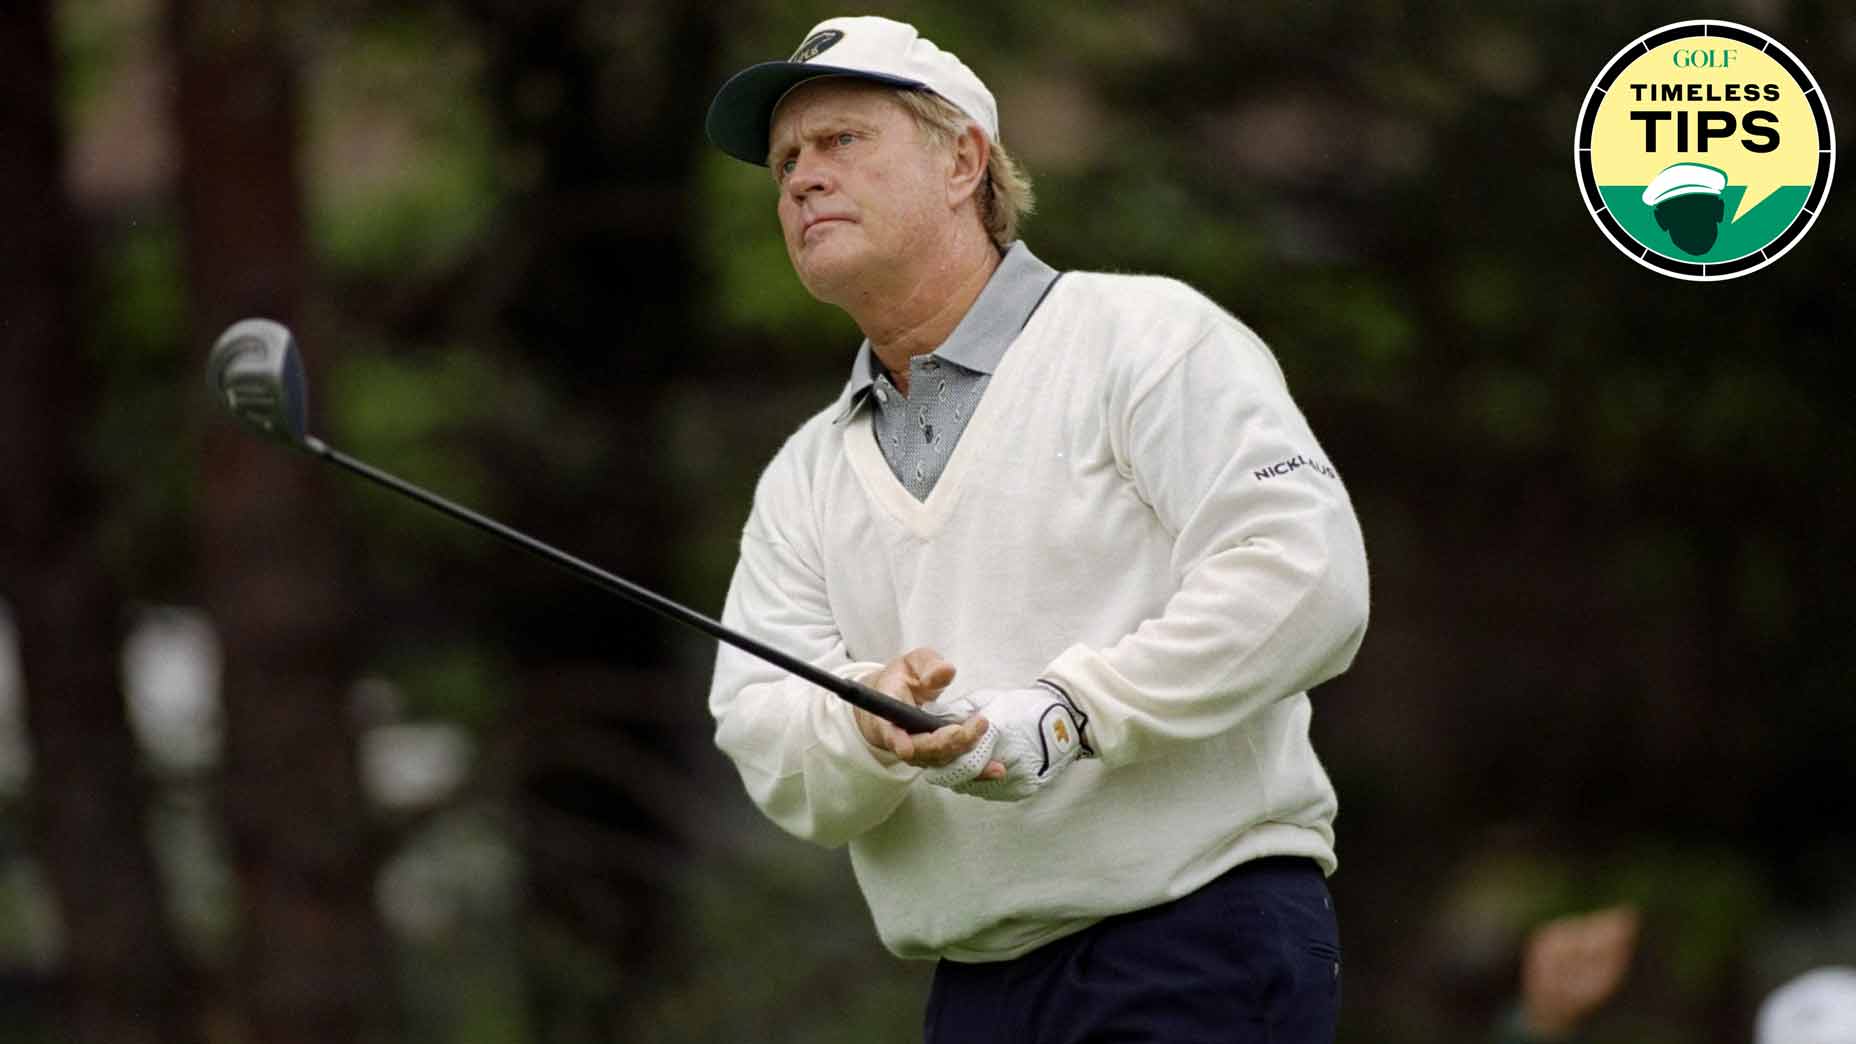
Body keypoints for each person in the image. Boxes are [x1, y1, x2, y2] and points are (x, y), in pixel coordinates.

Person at [703, 15, 1370, 1043]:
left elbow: (1304, 579)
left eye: (840, 141)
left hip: (1196, 942)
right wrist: (860, 727)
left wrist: (1066, 713)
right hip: (973, 991)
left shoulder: (1146, 337)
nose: (799, 179)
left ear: (962, 157)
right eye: (786, 158)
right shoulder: (802, 475)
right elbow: (761, 729)